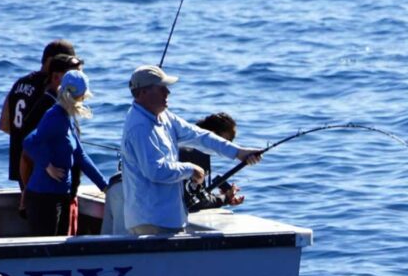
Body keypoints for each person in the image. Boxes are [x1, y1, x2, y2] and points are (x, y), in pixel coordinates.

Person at [120, 65, 262, 236]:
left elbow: (198, 135)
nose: (168, 93)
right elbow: (155, 171)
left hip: (168, 217)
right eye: (161, 88)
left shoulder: (164, 116)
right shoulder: (139, 126)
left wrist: (238, 152)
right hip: (151, 220)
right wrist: (190, 169)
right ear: (143, 93)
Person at [22, 70, 107, 236]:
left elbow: (80, 156)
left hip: (61, 196)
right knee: (47, 252)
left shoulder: (67, 119)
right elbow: (29, 142)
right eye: (82, 97)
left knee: (60, 249)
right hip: (43, 197)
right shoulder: (54, 117)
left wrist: (104, 186)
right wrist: (47, 165)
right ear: (77, 97)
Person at [0, 39, 76, 190]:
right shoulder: (50, 89)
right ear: (51, 62)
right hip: (42, 167)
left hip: (19, 162)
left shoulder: (19, 84)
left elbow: (4, 125)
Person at [180, 112, 246, 212]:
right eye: (227, 140)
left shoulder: (187, 144)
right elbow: (195, 203)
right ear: (213, 136)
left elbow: (192, 195)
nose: (229, 145)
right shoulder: (196, 153)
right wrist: (225, 198)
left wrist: (223, 197)